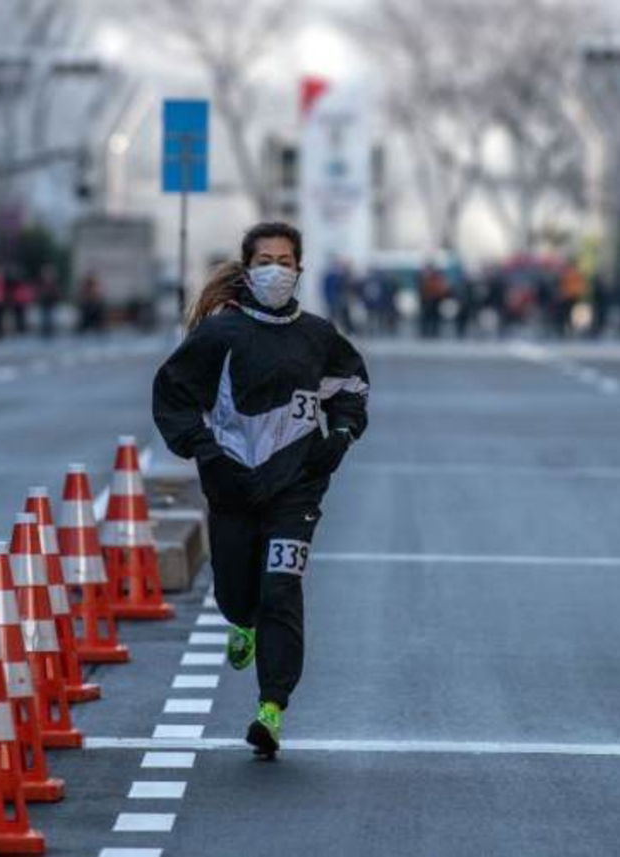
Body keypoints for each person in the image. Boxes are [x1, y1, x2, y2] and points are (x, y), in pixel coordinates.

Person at [152, 222, 369, 759]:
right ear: (248, 270)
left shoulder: (317, 335)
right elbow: (173, 395)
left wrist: (340, 436)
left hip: (297, 488)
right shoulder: (220, 336)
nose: (276, 270)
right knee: (236, 592)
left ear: (300, 269)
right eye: (265, 261)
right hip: (232, 484)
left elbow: (351, 386)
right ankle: (240, 622)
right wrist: (204, 450)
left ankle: (271, 708)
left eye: (285, 261)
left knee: (280, 591)